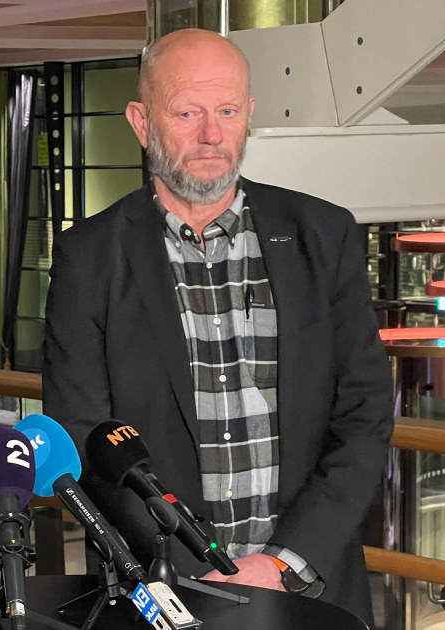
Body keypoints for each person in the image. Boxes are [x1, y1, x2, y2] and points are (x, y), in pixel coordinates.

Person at [42, 28, 393, 621]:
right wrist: (188, 578)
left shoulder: (323, 234)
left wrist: (282, 563)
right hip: (161, 594)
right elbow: (85, 439)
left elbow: (365, 416)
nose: (211, 134)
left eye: (227, 111)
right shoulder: (89, 257)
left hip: (311, 589)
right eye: (187, 112)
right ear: (141, 122)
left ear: (249, 113)